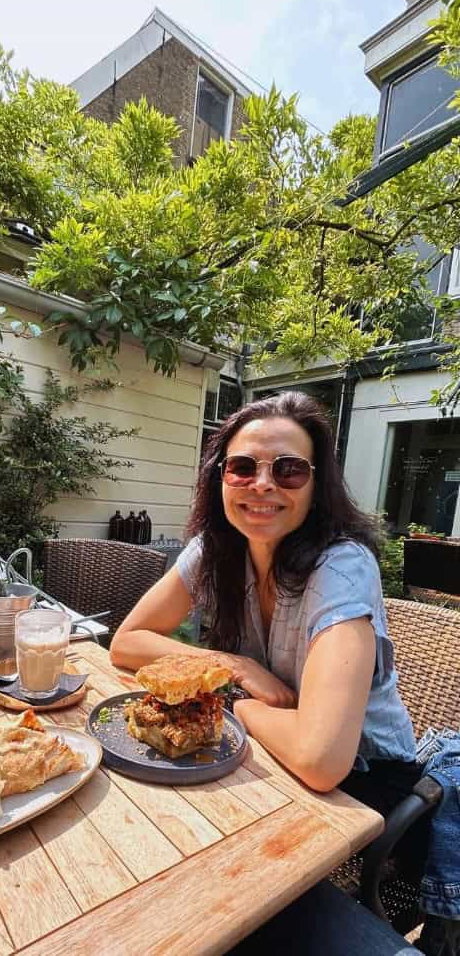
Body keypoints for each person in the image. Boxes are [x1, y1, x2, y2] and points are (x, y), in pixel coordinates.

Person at [110, 391, 423, 955]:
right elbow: (127, 643)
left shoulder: (341, 566)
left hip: (365, 782)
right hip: (265, 757)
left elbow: (322, 760)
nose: (263, 483)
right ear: (219, 478)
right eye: (242, 466)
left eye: (289, 469)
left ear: (317, 484)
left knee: (218, 890)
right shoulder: (216, 548)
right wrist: (233, 665)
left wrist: (233, 703)